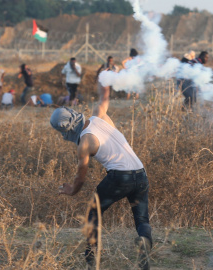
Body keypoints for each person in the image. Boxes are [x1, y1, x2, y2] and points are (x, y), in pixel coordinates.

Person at [51, 83, 152, 269]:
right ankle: (144, 254)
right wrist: (104, 81)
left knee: (93, 212)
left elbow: (81, 178)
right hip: (141, 173)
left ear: (66, 130)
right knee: (142, 220)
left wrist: (71, 190)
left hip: (120, 177)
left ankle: (91, 261)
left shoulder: (84, 143)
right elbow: (104, 97)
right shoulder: (99, 115)